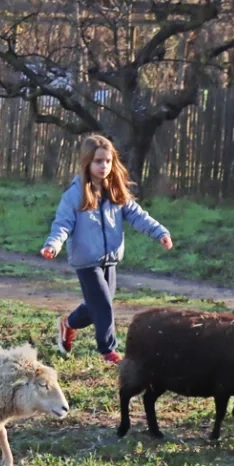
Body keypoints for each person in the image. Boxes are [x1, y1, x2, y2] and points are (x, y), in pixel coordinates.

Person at [40, 134, 173, 364]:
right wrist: (53, 244)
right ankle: (108, 351)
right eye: (98, 161)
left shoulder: (115, 191)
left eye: (108, 161)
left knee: (99, 306)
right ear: (87, 163)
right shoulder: (74, 195)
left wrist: (159, 232)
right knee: (102, 305)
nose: (104, 166)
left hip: (109, 259)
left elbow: (138, 216)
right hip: (86, 261)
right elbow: (63, 224)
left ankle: (68, 324)